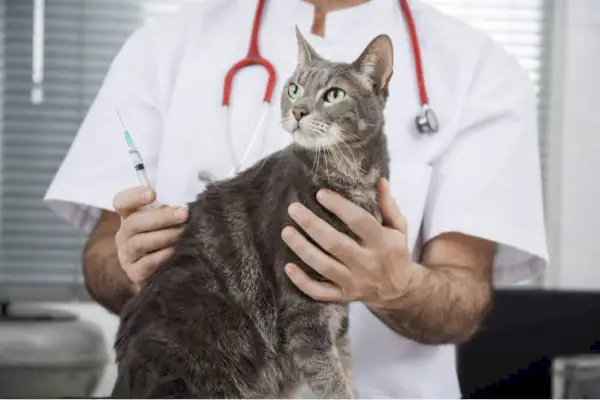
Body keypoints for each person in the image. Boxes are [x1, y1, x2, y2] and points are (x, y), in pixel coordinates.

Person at [43, 0, 549, 398]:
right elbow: (103, 259)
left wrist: (397, 285)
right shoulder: (162, 45)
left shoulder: (482, 68)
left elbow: (462, 299)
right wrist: (135, 267)